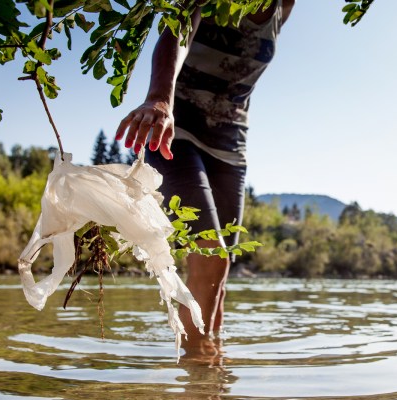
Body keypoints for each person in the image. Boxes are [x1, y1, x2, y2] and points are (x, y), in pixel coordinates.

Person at [116, 0, 295, 346]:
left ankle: (213, 375)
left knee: (219, 270)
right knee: (210, 252)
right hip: (174, 130)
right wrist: (159, 99)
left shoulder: (284, 6)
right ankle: (196, 372)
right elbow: (177, 30)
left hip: (230, 144)